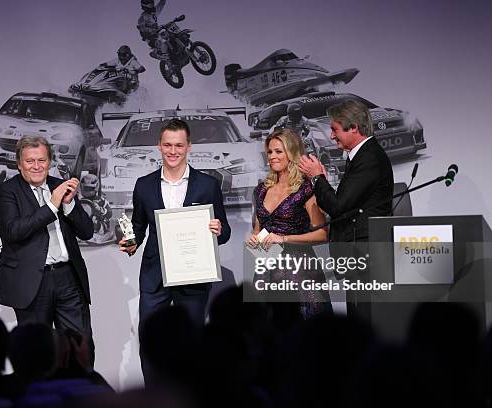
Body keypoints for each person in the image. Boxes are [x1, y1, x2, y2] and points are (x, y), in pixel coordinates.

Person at [118, 118, 230, 384]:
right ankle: (155, 395)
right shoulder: (144, 185)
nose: (173, 151)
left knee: (191, 340)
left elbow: (224, 232)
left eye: (179, 145)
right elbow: (137, 228)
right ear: (159, 146)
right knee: (149, 338)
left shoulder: (207, 185)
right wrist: (130, 243)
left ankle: (188, 396)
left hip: (193, 274)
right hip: (154, 276)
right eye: (167, 145)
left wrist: (218, 229)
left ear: (189, 146)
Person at [0, 136, 95, 362]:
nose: (37, 166)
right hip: (32, 282)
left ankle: (83, 394)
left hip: (68, 278)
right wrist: (51, 205)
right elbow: (13, 232)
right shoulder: (6, 192)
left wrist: (68, 204)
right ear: (19, 164)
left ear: (50, 162)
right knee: (37, 353)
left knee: (81, 346)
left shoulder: (60, 187)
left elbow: (87, 232)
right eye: (30, 161)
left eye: (42, 160)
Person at [298, 100, 393, 317]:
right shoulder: (361, 156)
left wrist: (317, 177)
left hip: (365, 255)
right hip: (357, 254)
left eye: (335, 129)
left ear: (354, 128)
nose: (331, 136)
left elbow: (338, 206)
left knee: (364, 319)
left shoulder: (368, 158)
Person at [247, 128, 332, 318]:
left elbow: (322, 234)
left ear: (292, 153)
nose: (272, 157)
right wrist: (253, 240)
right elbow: (257, 230)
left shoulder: (306, 189)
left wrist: (283, 238)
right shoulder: (260, 190)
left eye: (279, 151)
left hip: (300, 273)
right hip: (266, 272)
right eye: (270, 152)